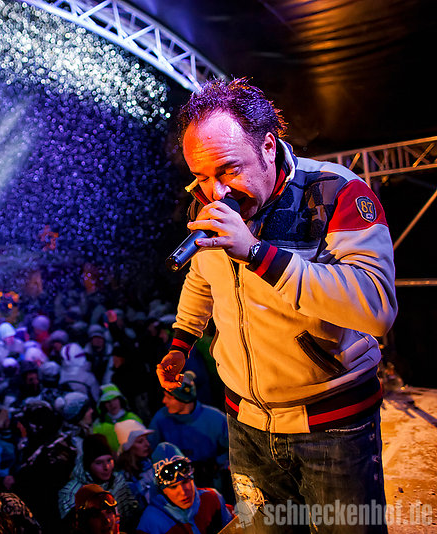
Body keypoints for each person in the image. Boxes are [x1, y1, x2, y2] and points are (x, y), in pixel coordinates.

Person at [156, 78, 397, 532]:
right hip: (246, 424)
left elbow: (377, 306)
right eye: (201, 176)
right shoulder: (209, 201)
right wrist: (181, 342)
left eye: (228, 170)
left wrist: (256, 253)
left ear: (268, 146)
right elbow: (202, 276)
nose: (215, 193)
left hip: (332, 428)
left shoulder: (336, 192)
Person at [147, 372, 229, 497]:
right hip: (176, 486)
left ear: (183, 398)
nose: (164, 401)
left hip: (213, 484)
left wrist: (217, 463)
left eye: (169, 397)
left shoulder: (216, 419)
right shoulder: (160, 419)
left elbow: (233, 448)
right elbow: (151, 451)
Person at [135, 443, 232, 534]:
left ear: (192, 479)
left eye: (185, 482)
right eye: (173, 487)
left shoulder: (212, 499)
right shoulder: (150, 525)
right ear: (163, 491)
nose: (183, 492)